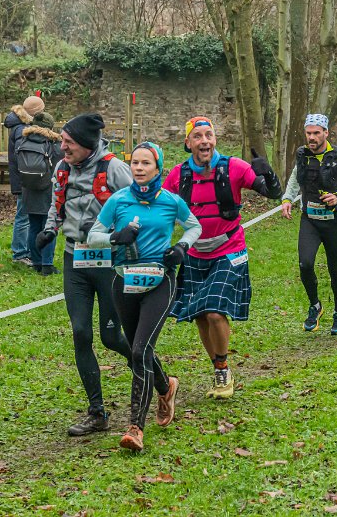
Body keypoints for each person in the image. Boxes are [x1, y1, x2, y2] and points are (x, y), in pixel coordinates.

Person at [35, 113, 158, 437]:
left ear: (86, 144)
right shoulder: (62, 168)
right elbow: (57, 204)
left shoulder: (113, 168)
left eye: (68, 143)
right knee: (80, 333)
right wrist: (50, 229)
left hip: (108, 262)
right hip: (75, 259)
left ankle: (160, 379)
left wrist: (120, 230)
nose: (63, 148)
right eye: (62, 142)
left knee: (112, 337)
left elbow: (139, 206)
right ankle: (97, 413)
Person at [87, 142, 201, 451]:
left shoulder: (171, 201)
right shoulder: (118, 200)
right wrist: (115, 237)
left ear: (158, 168)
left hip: (160, 281)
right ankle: (166, 386)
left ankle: (136, 427)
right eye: (135, 162)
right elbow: (93, 236)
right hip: (124, 280)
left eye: (145, 163)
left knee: (140, 350)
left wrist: (182, 247)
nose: (138, 168)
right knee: (140, 349)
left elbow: (194, 227)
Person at [163, 117, 283, 399]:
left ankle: (222, 368)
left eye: (209, 135)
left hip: (229, 249)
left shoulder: (234, 167)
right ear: (188, 143)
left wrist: (268, 174)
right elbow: (160, 207)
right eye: (198, 136)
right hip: (194, 252)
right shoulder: (178, 175)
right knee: (200, 316)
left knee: (215, 313)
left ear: (215, 139)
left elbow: (273, 193)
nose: (204, 141)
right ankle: (218, 366)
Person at [280, 114, 337, 335]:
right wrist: (287, 199)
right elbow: (295, 178)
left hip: (334, 221)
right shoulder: (303, 155)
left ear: (326, 133)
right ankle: (315, 306)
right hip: (310, 220)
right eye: (308, 133)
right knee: (305, 264)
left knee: (335, 267)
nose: (312, 137)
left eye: (316, 133)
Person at [15, 111, 62, 276]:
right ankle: (47, 264)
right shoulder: (54, 144)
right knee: (49, 227)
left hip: (28, 189)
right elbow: (60, 165)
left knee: (34, 226)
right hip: (47, 190)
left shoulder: (22, 141)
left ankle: (36, 262)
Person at [4, 95, 45, 266]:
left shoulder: (18, 125)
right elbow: (25, 156)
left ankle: (25, 251)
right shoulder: (22, 129)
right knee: (24, 216)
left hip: (22, 177)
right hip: (25, 178)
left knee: (25, 215)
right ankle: (20, 253)